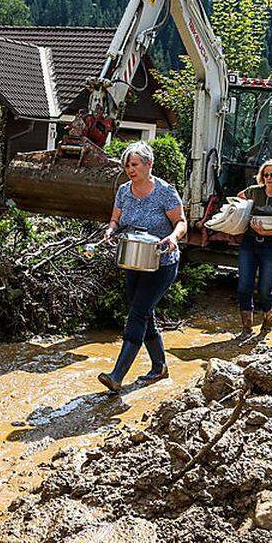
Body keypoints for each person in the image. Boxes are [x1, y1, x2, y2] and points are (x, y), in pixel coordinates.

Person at [99, 141, 187, 393]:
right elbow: (115, 219)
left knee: (137, 313)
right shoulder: (124, 191)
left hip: (161, 263)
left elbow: (181, 222)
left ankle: (117, 375)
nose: (130, 169)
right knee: (143, 313)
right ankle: (159, 367)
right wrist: (111, 230)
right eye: (127, 165)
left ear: (149, 165)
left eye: (135, 164)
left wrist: (173, 238)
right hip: (133, 260)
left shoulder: (165, 192)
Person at [236, 159, 272, 337]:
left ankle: (268, 315)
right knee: (244, 286)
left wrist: (264, 232)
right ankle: (246, 328)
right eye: (265, 174)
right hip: (249, 243)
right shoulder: (254, 191)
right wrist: (240, 215)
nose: (268, 178)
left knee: (264, 290)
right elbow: (239, 197)